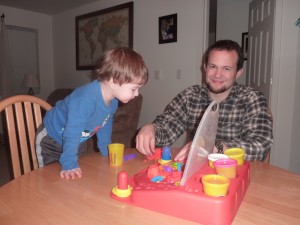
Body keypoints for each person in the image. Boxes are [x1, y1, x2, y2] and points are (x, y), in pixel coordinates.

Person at [136, 40, 273, 162]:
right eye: (213, 66)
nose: (217, 74)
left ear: (238, 73)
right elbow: (167, 128)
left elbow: (260, 146)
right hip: (196, 173)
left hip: (236, 173)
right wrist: (151, 129)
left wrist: (215, 147)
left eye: (226, 68)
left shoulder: (252, 99)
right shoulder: (190, 96)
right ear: (205, 67)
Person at [36, 47, 148, 179]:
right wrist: (69, 163)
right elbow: (72, 132)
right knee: (49, 178)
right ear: (112, 81)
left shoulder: (112, 102)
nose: (137, 94)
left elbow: (104, 126)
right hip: (52, 137)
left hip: (77, 140)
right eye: (134, 89)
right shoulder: (85, 100)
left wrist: (107, 153)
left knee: (77, 176)